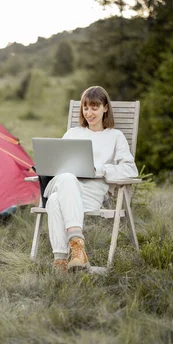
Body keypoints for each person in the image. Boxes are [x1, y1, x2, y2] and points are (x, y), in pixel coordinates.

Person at [44, 86, 138, 273]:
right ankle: (78, 249)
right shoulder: (72, 133)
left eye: (94, 107)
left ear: (105, 108)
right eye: (85, 108)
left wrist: (101, 169)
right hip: (63, 183)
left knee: (55, 201)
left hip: (90, 192)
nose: (89, 113)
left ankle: (60, 263)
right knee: (67, 178)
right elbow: (58, 164)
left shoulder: (115, 136)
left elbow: (130, 169)